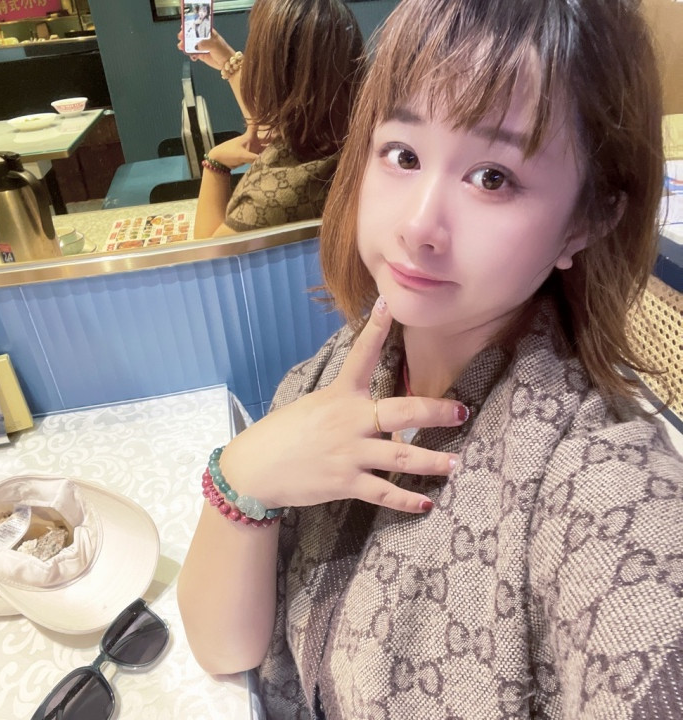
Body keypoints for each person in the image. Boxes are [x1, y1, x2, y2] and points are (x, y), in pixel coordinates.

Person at [178, 0, 683, 717]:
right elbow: (224, 649)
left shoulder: (602, 487)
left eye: (493, 177)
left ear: (588, 218)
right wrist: (243, 476)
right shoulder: (336, 371)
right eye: (404, 155)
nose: (419, 226)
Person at [181, 0, 364, 239]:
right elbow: (271, 121)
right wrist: (228, 60)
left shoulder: (272, 198)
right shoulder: (353, 135)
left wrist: (215, 164)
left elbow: (209, 255)